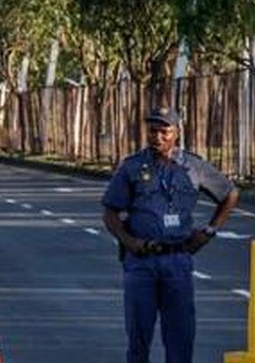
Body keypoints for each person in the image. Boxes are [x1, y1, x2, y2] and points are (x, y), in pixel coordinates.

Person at [101, 107, 240, 363]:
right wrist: (131, 242)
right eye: (153, 131)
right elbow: (110, 213)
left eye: (164, 132)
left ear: (176, 133)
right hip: (141, 263)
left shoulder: (193, 167)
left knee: (180, 337)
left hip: (177, 261)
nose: (158, 137)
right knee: (138, 337)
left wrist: (210, 230)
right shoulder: (131, 167)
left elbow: (229, 193)